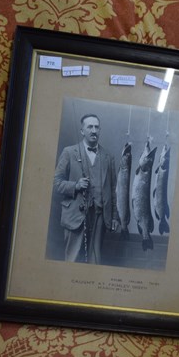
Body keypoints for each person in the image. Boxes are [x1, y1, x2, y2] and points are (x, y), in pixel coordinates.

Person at [54, 113, 119, 264]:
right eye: (90, 127)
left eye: (96, 127)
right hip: (75, 215)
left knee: (94, 261)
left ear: (100, 130)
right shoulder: (69, 152)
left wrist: (114, 216)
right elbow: (56, 182)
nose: (94, 130)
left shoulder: (108, 157)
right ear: (82, 130)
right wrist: (75, 186)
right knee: (72, 259)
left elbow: (114, 189)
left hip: (99, 217)